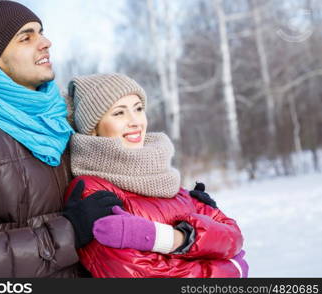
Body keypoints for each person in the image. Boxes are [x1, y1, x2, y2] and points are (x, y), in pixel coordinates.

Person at [0, 0, 122, 277]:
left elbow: (117, 193)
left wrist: (185, 207)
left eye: (41, 32)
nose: (45, 42)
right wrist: (70, 231)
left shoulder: (64, 124)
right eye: (26, 37)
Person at [65, 73, 249, 278]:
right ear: (93, 130)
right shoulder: (92, 191)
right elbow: (137, 274)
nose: (135, 121)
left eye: (138, 108)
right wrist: (230, 269)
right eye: (119, 113)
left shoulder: (166, 181)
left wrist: (179, 239)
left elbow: (234, 238)